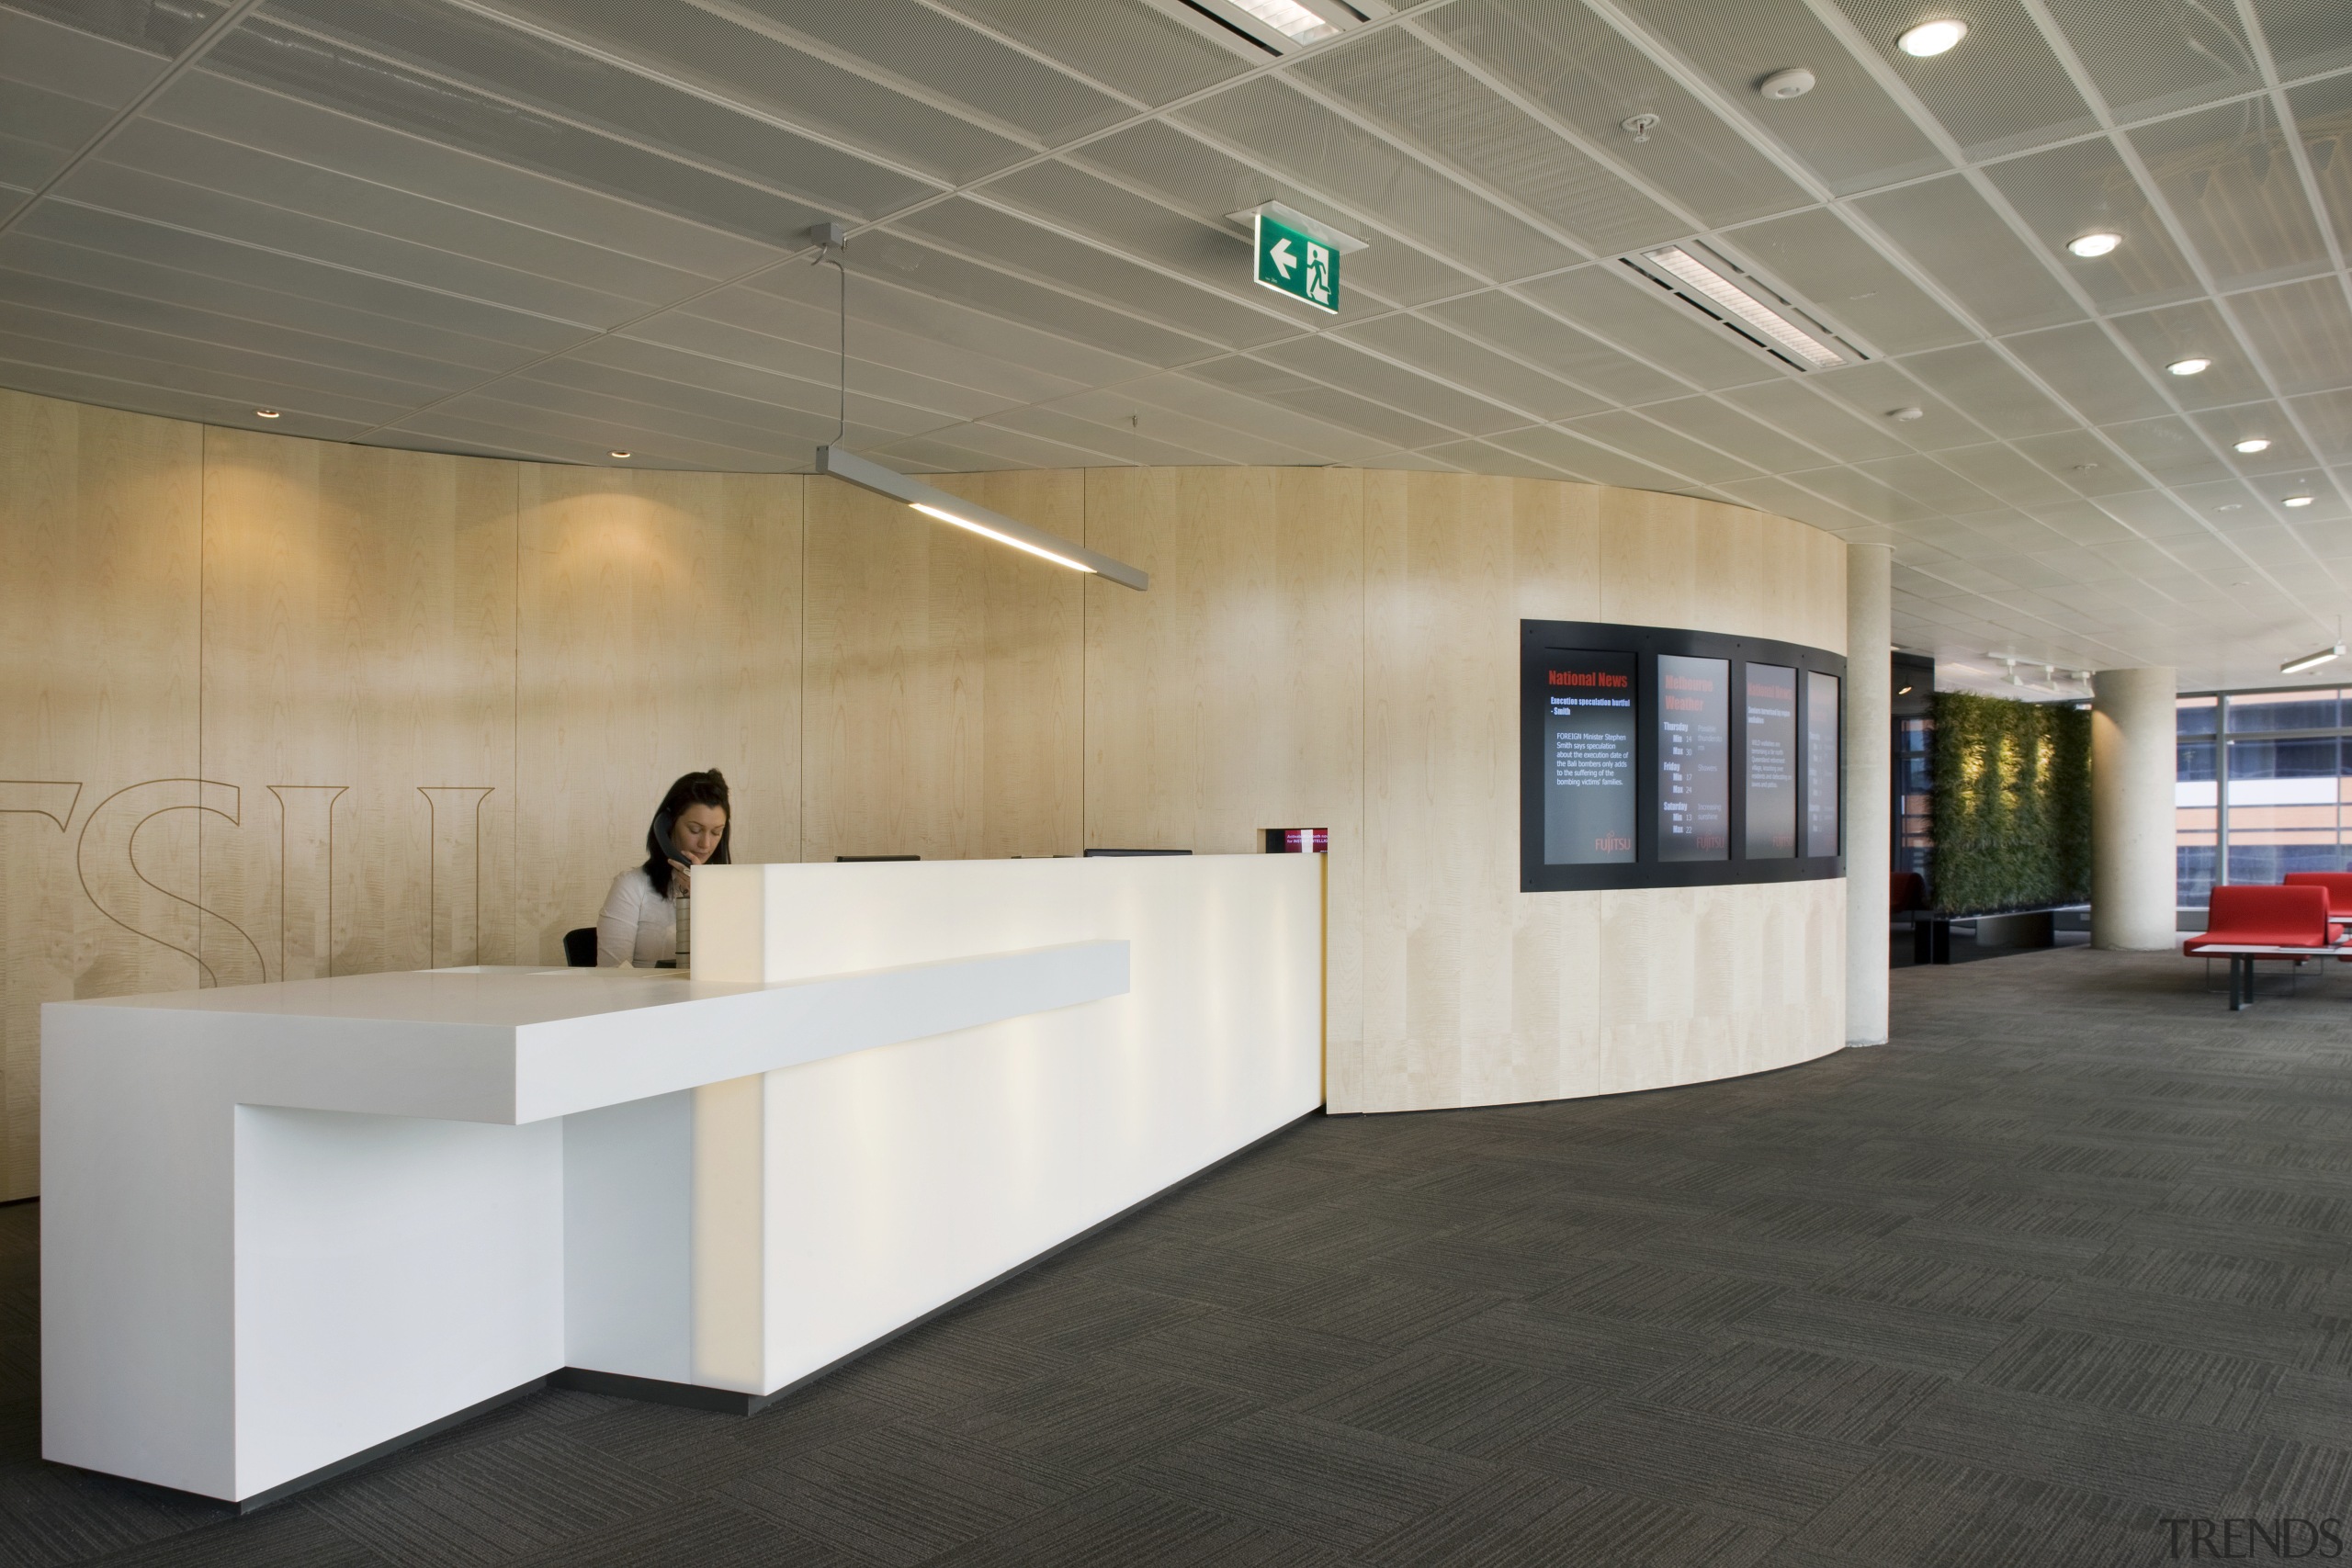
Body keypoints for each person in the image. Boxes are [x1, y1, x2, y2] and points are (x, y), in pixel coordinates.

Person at [597, 770, 730, 967]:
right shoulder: (632, 886)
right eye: (695, 830)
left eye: (716, 832)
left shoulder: (731, 889)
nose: (705, 844)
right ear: (667, 825)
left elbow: (734, 963)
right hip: (648, 997)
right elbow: (612, 975)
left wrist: (705, 899)